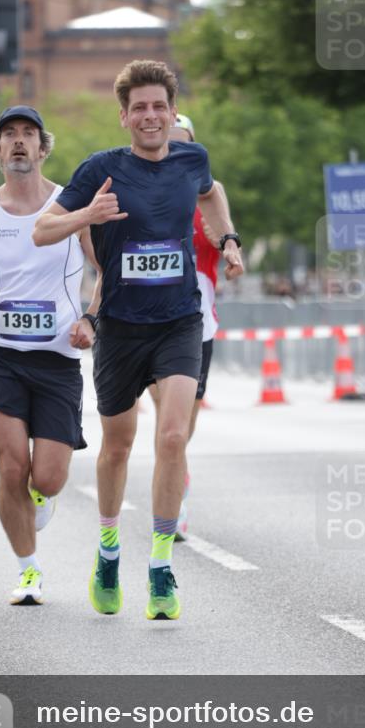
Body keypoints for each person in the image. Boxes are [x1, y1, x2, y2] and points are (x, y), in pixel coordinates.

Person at [34, 59, 244, 620]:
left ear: (172, 113)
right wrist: (86, 214)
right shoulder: (99, 169)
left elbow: (212, 192)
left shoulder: (191, 159)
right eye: (140, 108)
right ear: (124, 116)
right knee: (119, 446)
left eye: (159, 107)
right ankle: (107, 550)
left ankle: (159, 567)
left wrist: (227, 238)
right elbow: (41, 229)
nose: (150, 117)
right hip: (121, 326)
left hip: (180, 319)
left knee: (173, 437)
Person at [0, 105, 100, 606]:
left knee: (49, 478)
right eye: (9, 135)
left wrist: (90, 319)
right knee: (11, 464)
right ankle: (28, 570)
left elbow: (103, 273)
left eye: (28, 135)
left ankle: (40, 498)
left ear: (43, 148)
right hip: (1, 354)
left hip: (58, 356)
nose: (19, 142)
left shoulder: (71, 205)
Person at [147, 113, 234, 540]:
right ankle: (172, 507)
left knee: (181, 430)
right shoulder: (141, 190)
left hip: (199, 324)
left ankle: (176, 483)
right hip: (147, 319)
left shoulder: (210, 194)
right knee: (168, 425)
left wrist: (232, 249)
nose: (175, 151)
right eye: (169, 142)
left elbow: (226, 237)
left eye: (184, 144)